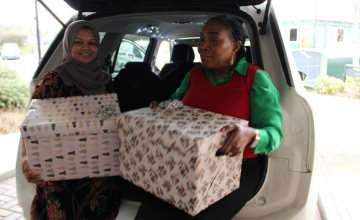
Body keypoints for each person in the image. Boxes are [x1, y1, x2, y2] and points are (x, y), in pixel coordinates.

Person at [135, 15, 283, 220]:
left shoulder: (255, 79)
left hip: (235, 169)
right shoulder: (195, 73)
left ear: (235, 46)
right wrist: (160, 109)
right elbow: (175, 103)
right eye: (201, 39)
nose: (203, 46)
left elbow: (274, 133)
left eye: (213, 40)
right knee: (148, 214)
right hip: (186, 161)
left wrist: (251, 135)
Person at [20, 20, 121, 220]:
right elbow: (32, 122)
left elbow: (110, 118)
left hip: (99, 172)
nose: (86, 47)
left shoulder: (105, 80)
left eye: (92, 43)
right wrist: (26, 157)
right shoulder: (53, 80)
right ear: (68, 45)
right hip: (62, 173)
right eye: (78, 42)